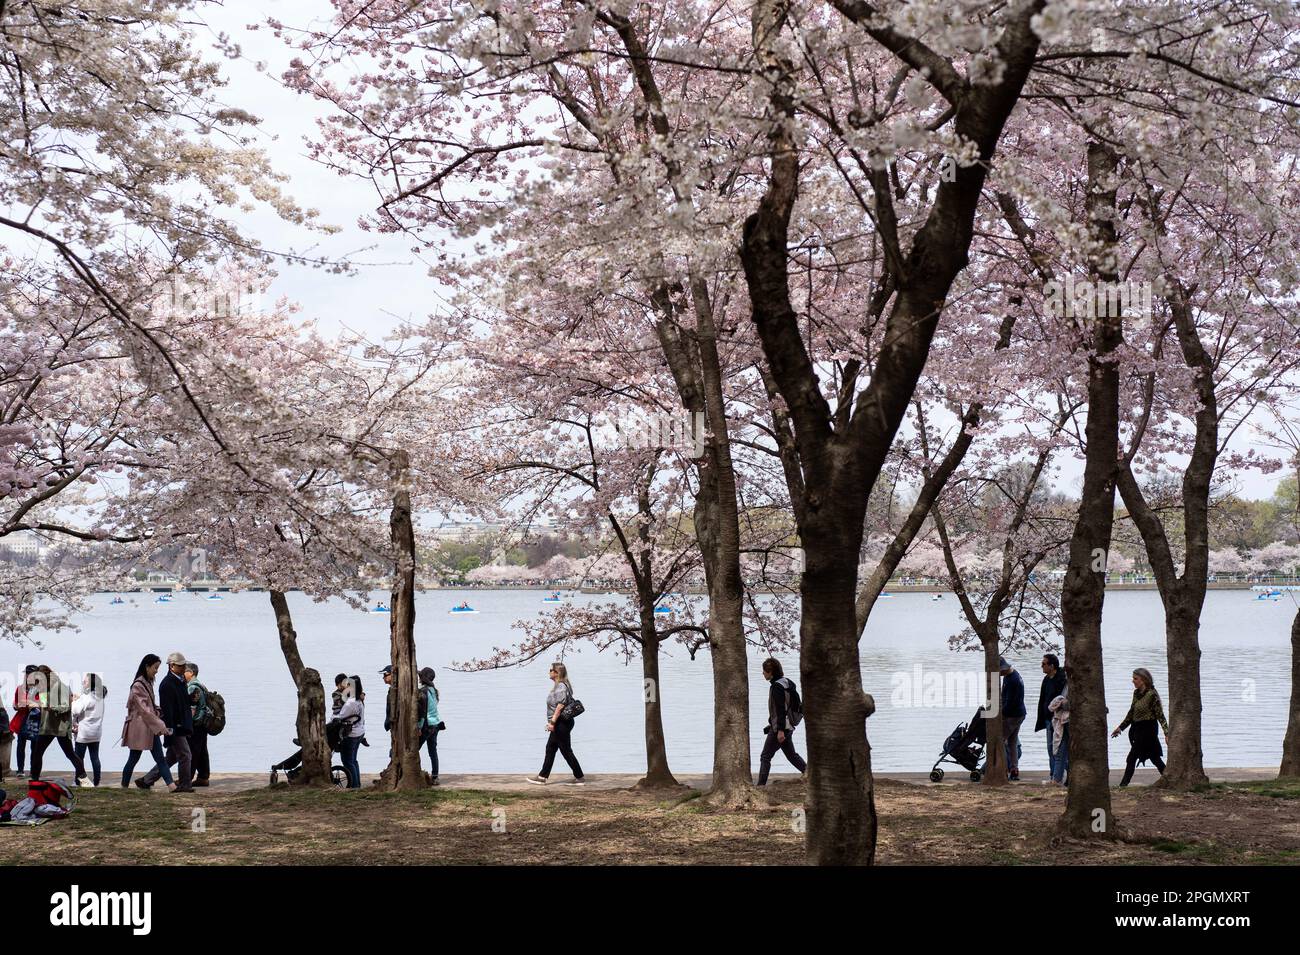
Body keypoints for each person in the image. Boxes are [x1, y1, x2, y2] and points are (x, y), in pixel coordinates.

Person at [137, 652, 194, 792]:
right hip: (175, 727)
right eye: (181, 665)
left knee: (171, 757)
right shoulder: (167, 685)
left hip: (181, 726)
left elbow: (182, 702)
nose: (184, 667)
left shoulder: (180, 681)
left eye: (184, 665)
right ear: (172, 666)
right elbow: (167, 711)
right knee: (185, 755)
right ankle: (185, 785)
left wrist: (192, 699)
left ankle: (146, 780)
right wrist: (170, 729)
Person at [524, 662, 585, 785]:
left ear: (557, 672)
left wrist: (552, 723)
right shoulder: (559, 686)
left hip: (561, 722)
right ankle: (543, 777)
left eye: (551, 670)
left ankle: (579, 777)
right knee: (551, 748)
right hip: (561, 723)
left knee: (565, 750)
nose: (549, 672)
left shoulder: (561, 686)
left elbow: (560, 706)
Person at [121, 654, 175, 789]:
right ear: (147, 666)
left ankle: (172, 786)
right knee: (133, 759)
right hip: (140, 729)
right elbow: (144, 710)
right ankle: (124, 786)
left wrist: (159, 710)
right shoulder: (138, 685)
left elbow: (149, 706)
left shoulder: (147, 682)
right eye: (155, 667)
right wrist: (161, 725)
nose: (157, 670)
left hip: (149, 728)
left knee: (160, 759)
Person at [28, 666, 87, 784]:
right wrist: (40, 702)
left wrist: (53, 708)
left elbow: (66, 707)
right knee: (37, 752)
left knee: (70, 754)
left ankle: (83, 777)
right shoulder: (43, 687)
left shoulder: (61, 687)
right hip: (47, 726)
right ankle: (34, 779)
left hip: (61, 727)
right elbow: (43, 704)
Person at [1112, 667, 1170, 786]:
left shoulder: (1152, 695)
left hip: (1148, 731)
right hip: (1137, 730)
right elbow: (1131, 713)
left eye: (1135, 678)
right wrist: (1120, 728)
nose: (1133, 681)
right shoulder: (1136, 693)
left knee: (1132, 757)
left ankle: (1123, 786)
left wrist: (1167, 733)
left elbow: (1160, 716)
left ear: (1143, 680)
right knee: (1154, 758)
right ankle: (1169, 780)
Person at [756, 657, 807, 785]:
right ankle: (810, 774)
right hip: (788, 726)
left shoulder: (777, 687)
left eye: (764, 671)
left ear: (770, 672)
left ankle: (760, 786)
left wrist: (779, 730)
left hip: (781, 728)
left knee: (765, 756)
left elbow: (780, 709)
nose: (763, 673)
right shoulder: (787, 683)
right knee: (791, 755)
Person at [1035, 654, 1068, 783]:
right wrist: (1042, 718)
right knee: (1050, 748)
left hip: (1059, 718)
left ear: (1052, 666)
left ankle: (1059, 776)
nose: (1041, 666)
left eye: (1044, 664)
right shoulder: (1046, 679)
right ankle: (1053, 774)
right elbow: (1042, 699)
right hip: (1048, 719)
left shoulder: (1061, 679)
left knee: (1059, 749)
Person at [71, 673, 107, 787]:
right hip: (96, 733)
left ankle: (78, 781)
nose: (83, 683)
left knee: (79, 758)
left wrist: (75, 700)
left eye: (85, 681)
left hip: (84, 733)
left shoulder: (87, 697)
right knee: (95, 757)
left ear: (91, 684)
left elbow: (75, 710)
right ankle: (97, 781)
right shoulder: (100, 697)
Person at [335, 675, 366, 789]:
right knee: (353, 760)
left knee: (347, 761)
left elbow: (341, 716)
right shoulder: (359, 700)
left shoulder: (350, 702)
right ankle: (357, 784)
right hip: (359, 732)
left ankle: (353, 785)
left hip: (351, 734)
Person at [8, 665, 39, 777]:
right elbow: (16, 704)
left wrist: (33, 704)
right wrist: (18, 706)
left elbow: (44, 704)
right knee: (21, 746)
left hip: (35, 721)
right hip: (22, 721)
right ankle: (20, 770)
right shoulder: (20, 688)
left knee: (34, 747)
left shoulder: (41, 689)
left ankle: (33, 770)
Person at [184, 662, 211, 787]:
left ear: (191, 673)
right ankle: (203, 777)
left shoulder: (191, 687)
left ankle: (187, 778)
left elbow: (192, 709)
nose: (183, 673)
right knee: (202, 751)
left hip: (196, 723)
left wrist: (186, 723)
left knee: (192, 751)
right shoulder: (202, 685)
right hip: (204, 723)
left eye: (185, 671)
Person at [999, 657, 1026, 781]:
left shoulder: (1012, 680)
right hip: (1019, 713)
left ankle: (1002, 769)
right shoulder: (1012, 675)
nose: (999, 674)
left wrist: (1000, 714)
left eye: (1000, 671)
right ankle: (1014, 769)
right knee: (1012, 742)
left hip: (1013, 716)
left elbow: (1010, 703)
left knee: (1000, 741)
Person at [418, 667, 443, 785]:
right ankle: (435, 776)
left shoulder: (422, 692)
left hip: (427, 725)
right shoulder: (434, 690)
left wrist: (419, 727)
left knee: (414, 748)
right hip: (436, 724)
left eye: (420, 676)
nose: (418, 678)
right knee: (433, 751)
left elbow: (423, 712)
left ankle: (414, 772)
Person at [1047, 670, 1070, 786]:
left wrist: (1061, 704)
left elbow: (1073, 703)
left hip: (1067, 722)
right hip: (1064, 721)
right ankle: (1062, 778)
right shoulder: (1067, 684)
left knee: (1060, 751)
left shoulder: (1072, 685)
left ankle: (1056, 779)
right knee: (1062, 752)